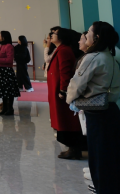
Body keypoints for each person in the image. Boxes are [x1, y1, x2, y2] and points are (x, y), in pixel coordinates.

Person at [67, 22, 120, 194]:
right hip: (112, 110)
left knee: (99, 159)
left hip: (97, 114)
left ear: (96, 37)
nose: (85, 35)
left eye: (89, 32)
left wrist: (70, 100)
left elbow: (77, 84)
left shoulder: (92, 58)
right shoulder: (111, 57)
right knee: (113, 158)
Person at [47, 28, 85, 160]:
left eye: (54, 34)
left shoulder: (64, 50)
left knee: (67, 121)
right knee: (63, 120)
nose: (51, 35)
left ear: (62, 37)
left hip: (61, 92)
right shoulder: (60, 49)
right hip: (57, 90)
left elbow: (65, 72)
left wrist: (63, 90)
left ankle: (74, 149)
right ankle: (72, 148)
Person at [0, 31, 20, 116]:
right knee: (3, 91)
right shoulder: (0, 46)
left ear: (4, 37)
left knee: (9, 91)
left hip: (7, 71)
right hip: (0, 71)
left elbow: (9, 60)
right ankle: (4, 108)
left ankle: (10, 109)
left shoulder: (9, 46)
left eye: (0, 35)